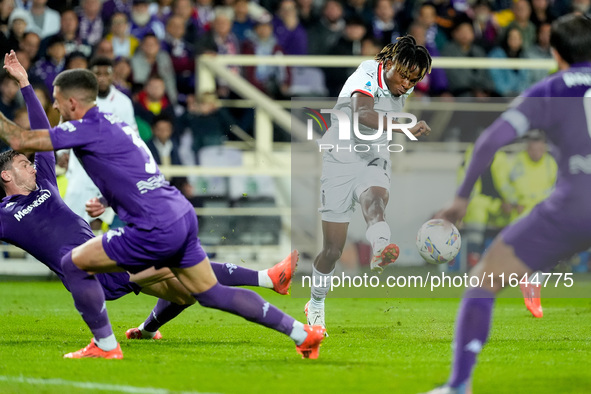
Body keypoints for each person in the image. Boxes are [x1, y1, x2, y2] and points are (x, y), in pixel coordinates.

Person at [0, 50, 326, 360]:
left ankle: (105, 345)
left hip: (152, 225)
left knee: (73, 264)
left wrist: (25, 88)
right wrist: (106, 199)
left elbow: (23, 140)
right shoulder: (115, 124)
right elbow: (133, 173)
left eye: (56, 102)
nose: (55, 109)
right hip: (177, 212)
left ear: (72, 102)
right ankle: (301, 333)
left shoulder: (85, 130)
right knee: (208, 293)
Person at [426, 14, 591, 393]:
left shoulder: (550, 89)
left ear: (555, 53)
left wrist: (461, 198)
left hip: (573, 206)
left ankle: (459, 385)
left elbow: (488, 141)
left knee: (483, 281)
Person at [305, 36, 432, 332]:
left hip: (374, 156)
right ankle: (316, 302)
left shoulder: (401, 87)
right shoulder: (366, 72)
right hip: (340, 157)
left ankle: (380, 246)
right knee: (333, 250)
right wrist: (406, 126)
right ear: (389, 64)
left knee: (375, 200)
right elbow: (363, 114)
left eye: (413, 80)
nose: (406, 85)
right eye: (403, 76)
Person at [63, 56, 138, 231]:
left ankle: (91, 257)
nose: (102, 77)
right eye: (98, 73)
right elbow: (66, 128)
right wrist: (62, 153)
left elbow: (132, 137)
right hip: (81, 169)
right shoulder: (77, 100)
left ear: (113, 76)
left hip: (110, 170)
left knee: (98, 221)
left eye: (107, 73)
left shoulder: (123, 102)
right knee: (71, 221)